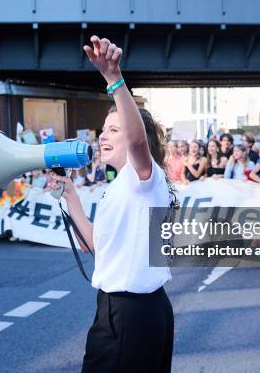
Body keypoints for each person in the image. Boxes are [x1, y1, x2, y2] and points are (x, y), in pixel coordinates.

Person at [48, 35, 174, 372]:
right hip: (118, 310)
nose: (103, 136)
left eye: (114, 129)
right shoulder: (119, 187)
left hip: (135, 313)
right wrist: (71, 197)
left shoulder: (144, 176)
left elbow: (136, 140)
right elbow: (98, 247)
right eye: (103, 129)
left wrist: (114, 79)